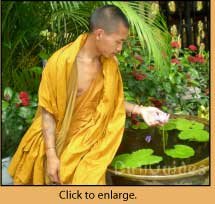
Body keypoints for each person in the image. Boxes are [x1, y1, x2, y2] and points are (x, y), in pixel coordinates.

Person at [8, 5, 169, 185]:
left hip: (90, 142)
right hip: (58, 141)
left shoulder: (109, 64)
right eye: (118, 41)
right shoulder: (61, 63)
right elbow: (48, 113)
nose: (120, 48)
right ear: (99, 34)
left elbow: (111, 101)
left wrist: (142, 110)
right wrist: (52, 154)